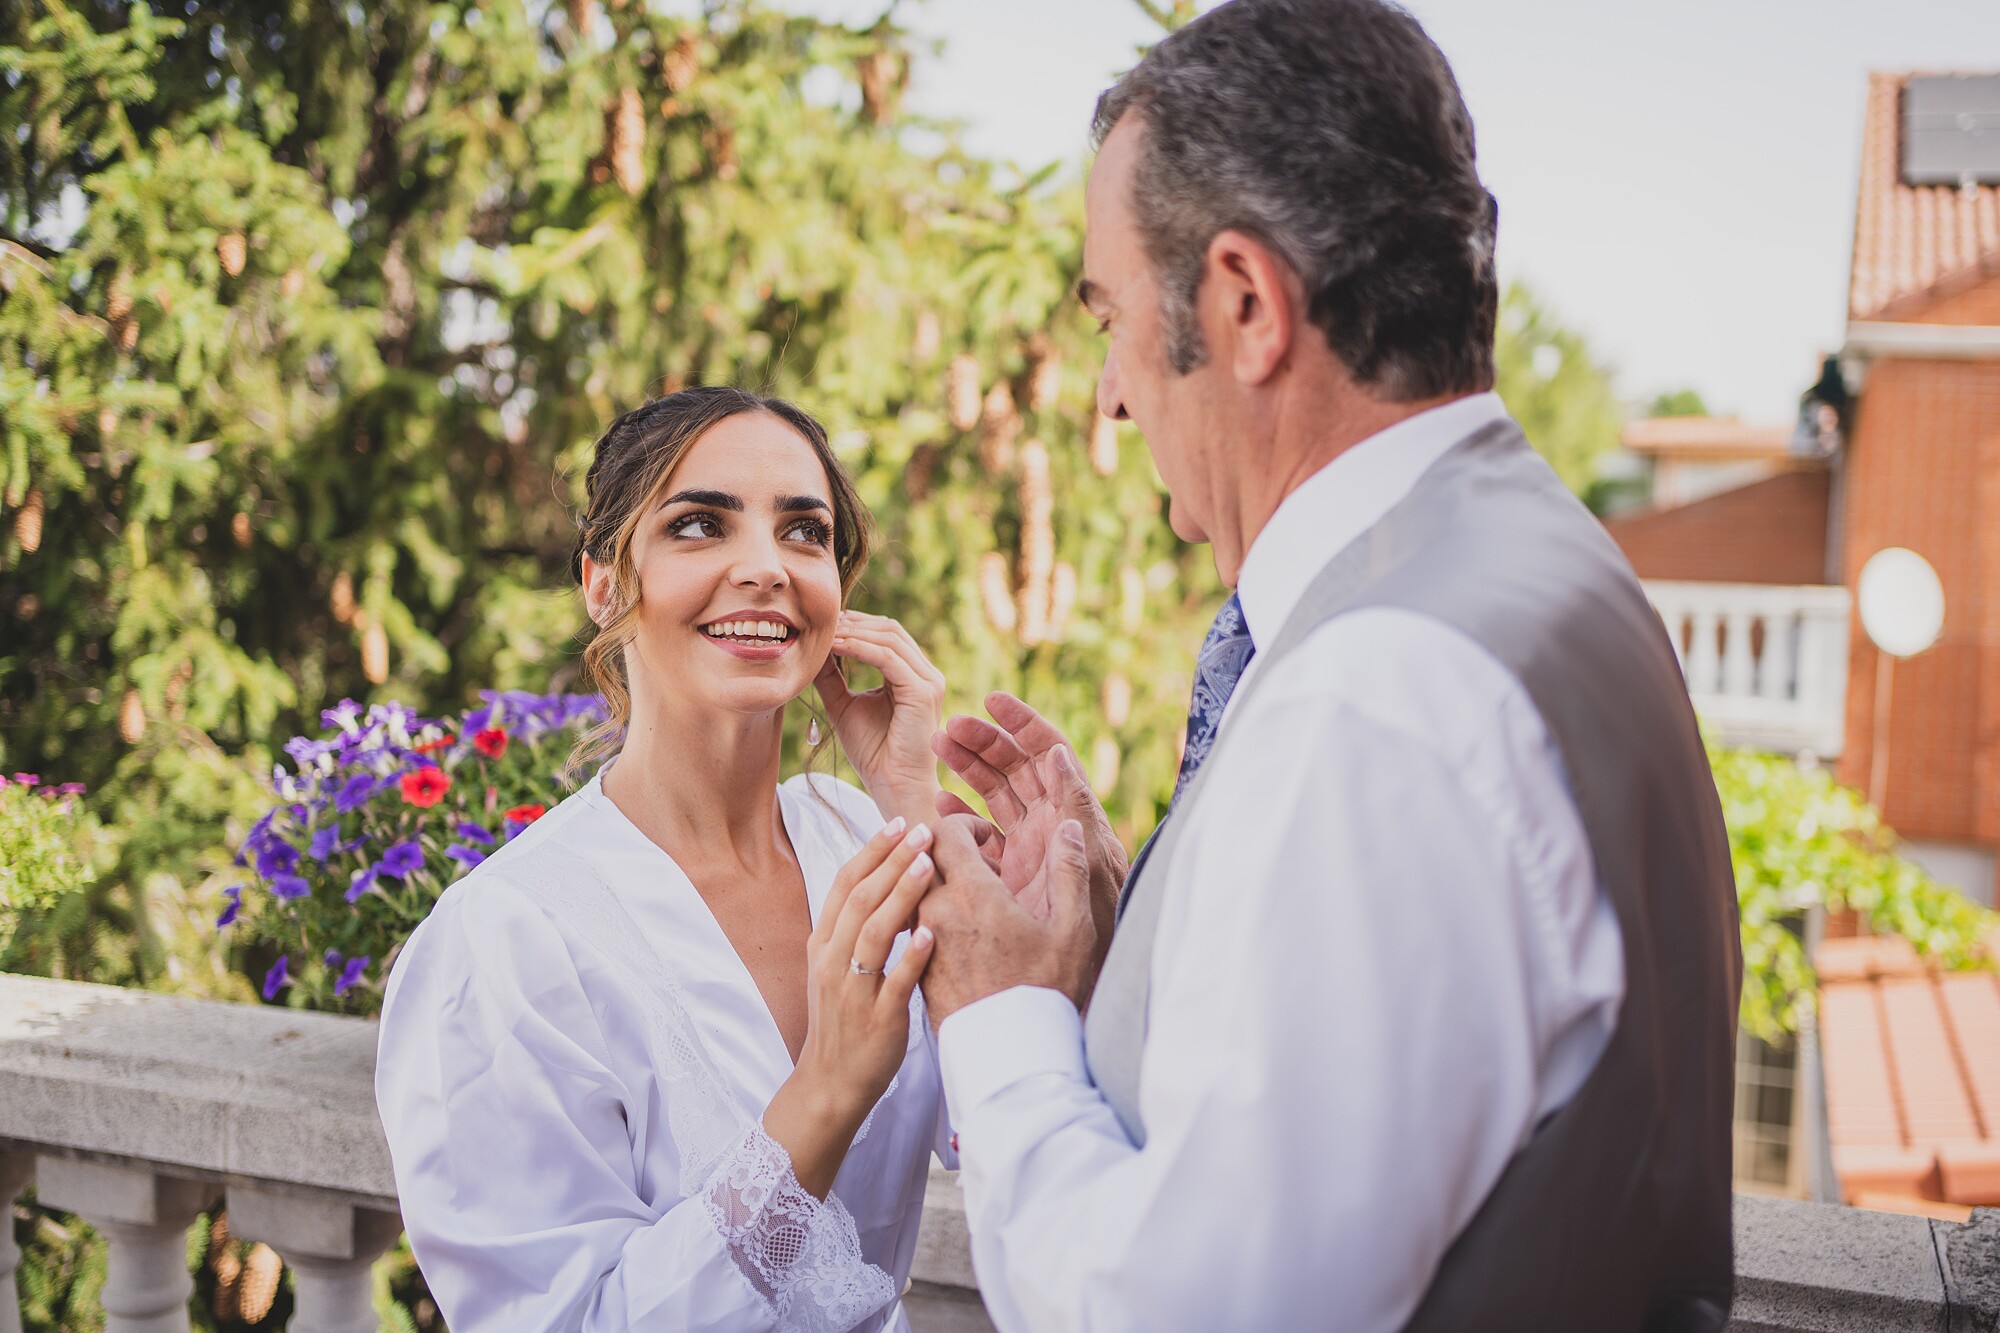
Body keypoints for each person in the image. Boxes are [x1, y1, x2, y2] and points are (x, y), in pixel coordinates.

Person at [915, 1, 1744, 1329]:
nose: (1110, 398)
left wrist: (1005, 1018)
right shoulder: (1543, 567)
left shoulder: (1380, 702)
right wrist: (1137, 953)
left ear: (1244, 305)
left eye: (1112, 318)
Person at [376, 387, 957, 1332]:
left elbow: (1018, 1121)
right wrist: (822, 1094)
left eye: (803, 532)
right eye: (699, 525)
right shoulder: (506, 946)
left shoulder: (861, 836)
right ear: (605, 583)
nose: (766, 568)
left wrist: (915, 804)